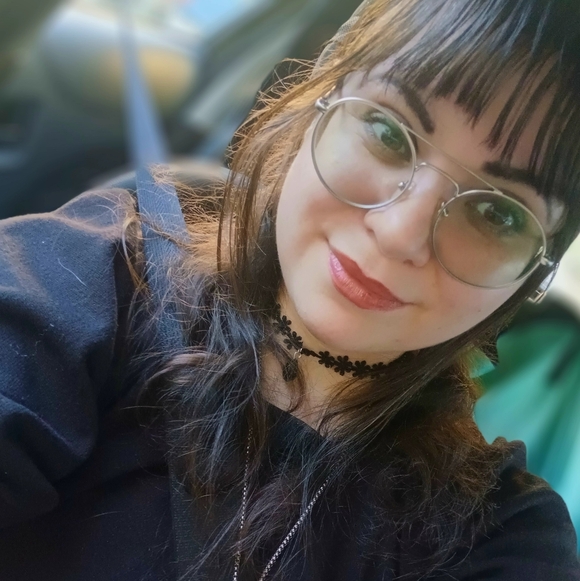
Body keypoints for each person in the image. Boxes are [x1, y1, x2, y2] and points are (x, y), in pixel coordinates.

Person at [1, 0, 580, 579]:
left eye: (497, 214)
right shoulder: (87, 284)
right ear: (315, 107)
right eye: (387, 131)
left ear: (534, 273)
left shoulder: (497, 536)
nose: (399, 233)